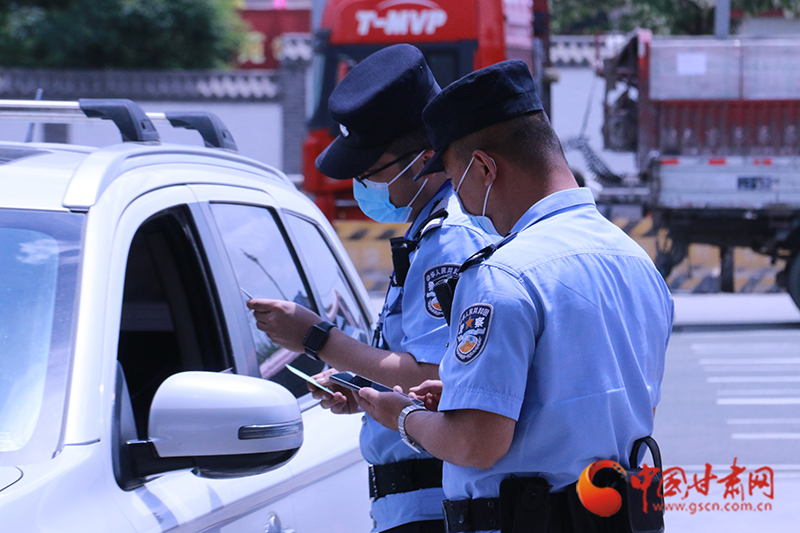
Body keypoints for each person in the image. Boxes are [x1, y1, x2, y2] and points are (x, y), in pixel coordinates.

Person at [356, 60, 674, 532]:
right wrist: (464, 395)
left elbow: (475, 444)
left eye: (457, 180)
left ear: (485, 167)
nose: (461, 200)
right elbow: (614, 406)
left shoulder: (501, 275)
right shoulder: (636, 262)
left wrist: (401, 417)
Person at [247, 44, 497, 533]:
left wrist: (317, 338)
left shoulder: (450, 237)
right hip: (416, 501)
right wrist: (359, 385)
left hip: (433, 504)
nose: (360, 182)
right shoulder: (428, 229)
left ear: (423, 159)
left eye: (370, 169)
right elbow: (424, 372)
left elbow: (436, 373)